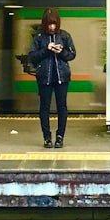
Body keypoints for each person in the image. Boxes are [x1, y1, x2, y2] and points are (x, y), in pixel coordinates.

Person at [28, 8, 76, 148]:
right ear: (44, 24)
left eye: (54, 24)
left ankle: (60, 137)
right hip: (44, 77)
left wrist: (61, 52)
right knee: (44, 107)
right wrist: (46, 49)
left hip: (62, 77)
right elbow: (32, 57)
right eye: (49, 24)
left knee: (62, 107)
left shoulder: (65, 36)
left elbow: (72, 55)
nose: (52, 27)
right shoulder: (38, 37)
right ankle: (47, 137)